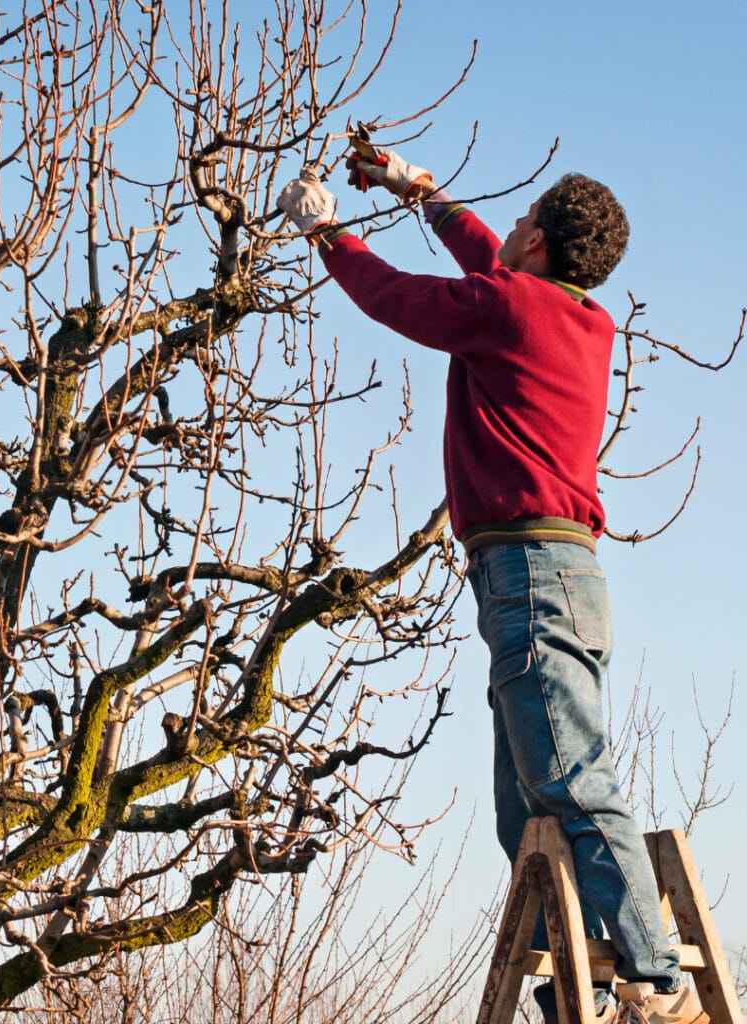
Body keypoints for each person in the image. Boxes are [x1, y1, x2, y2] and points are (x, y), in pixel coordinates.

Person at [277, 154, 708, 1024]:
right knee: (528, 808)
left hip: (531, 574)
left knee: (571, 781)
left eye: (519, 224)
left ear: (539, 241)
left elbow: (402, 298)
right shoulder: (582, 321)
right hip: (558, 575)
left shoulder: (508, 306)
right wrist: (421, 193)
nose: (504, 231)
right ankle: (569, 986)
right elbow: (490, 261)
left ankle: (660, 984)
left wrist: (325, 233)